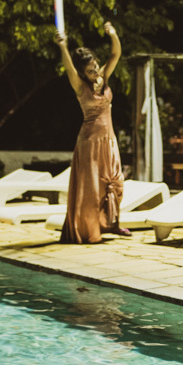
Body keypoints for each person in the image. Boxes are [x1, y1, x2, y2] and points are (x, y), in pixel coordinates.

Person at [55, 22, 128, 243]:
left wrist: (113, 34)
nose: (95, 71)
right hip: (90, 143)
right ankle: (89, 230)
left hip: (109, 141)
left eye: (95, 66)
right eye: (89, 70)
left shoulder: (103, 77)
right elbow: (69, 68)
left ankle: (111, 223)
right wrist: (63, 46)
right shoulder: (80, 87)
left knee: (115, 183)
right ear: (82, 73)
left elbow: (116, 54)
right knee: (92, 190)